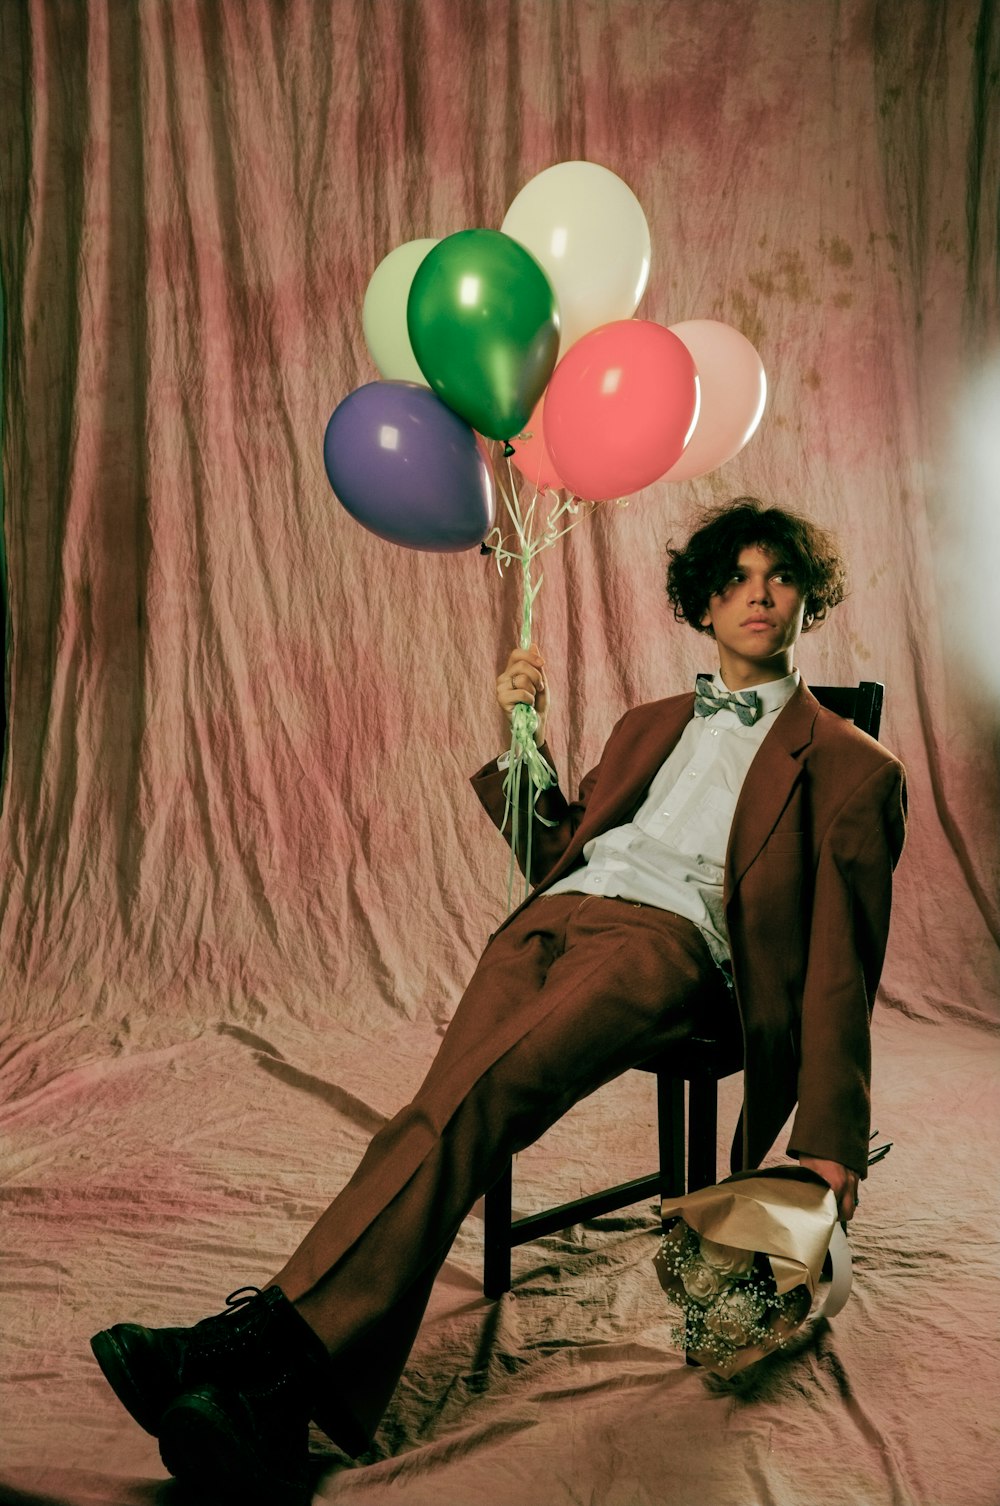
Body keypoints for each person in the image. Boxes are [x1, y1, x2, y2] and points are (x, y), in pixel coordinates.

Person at [90, 498, 907, 1501]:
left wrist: (828, 1142)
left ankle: (258, 1357)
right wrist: (519, 735)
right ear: (701, 601)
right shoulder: (650, 723)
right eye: (733, 579)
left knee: (474, 1107)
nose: (756, 597)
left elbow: (840, 961)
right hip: (552, 918)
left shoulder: (854, 769)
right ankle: (264, 1378)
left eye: (776, 579)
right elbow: (553, 850)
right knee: (436, 1113)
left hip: (668, 951)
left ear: (806, 601)